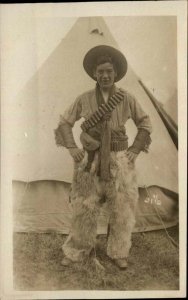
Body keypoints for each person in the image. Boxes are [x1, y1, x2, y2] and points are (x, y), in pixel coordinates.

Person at [54, 45, 152, 269]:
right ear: (94, 74)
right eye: (100, 72)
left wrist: (135, 149)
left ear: (115, 73)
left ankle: (118, 252)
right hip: (90, 159)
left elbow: (145, 123)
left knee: (122, 207)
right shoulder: (85, 98)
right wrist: (72, 148)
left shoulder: (126, 98)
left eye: (109, 71)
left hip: (119, 160)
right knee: (84, 207)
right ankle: (77, 251)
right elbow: (64, 123)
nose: (105, 75)